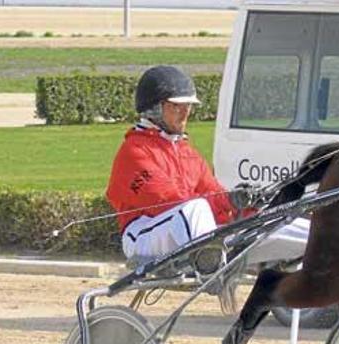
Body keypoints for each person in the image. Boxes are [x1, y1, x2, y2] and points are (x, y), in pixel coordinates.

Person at [106, 65, 255, 261]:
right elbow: (168, 201)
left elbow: (214, 193)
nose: (185, 114)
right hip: (143, 237)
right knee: (195, 208)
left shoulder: (187, 152)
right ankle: (213, 268)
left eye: (188, 106)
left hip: (185, 228)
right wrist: (227, 201)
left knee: (276, 216)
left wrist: (244, 204)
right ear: (155, 109)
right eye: (176, 106)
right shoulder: (134, 152)